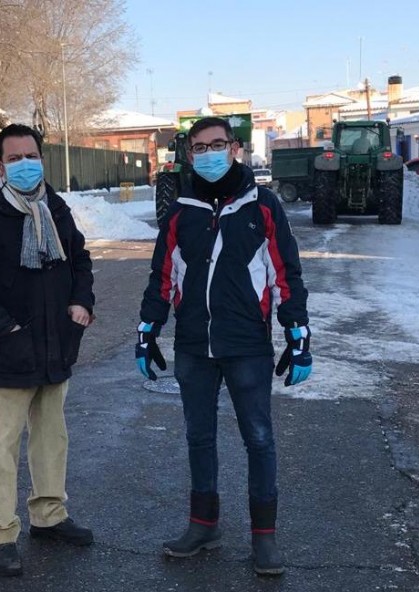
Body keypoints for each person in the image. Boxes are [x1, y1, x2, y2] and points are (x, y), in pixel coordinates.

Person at [136, 117, 311, 576]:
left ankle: (264, 539)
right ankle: (203, 525)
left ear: (234, 148)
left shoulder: (263, 206)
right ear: (189, 154)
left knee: (258, 438)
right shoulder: (180, 211)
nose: (209, 153)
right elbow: (163, 276)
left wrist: (298, 335)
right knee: (199, 436)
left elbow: (285, 275)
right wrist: (148, 329)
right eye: (200, 147)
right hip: (194, 345)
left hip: (247, 345)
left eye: (217, 144)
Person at [0, 123, 95, 577]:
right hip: (11, 348)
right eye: (15, 158)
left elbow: (80, 259)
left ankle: (49, 516)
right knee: (3, 445)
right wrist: (4, 325)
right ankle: (0, 533)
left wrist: (80, 301)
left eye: (32, 156)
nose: (26, 165)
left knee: (52, 437)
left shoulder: (56, 207)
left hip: (56, 345)